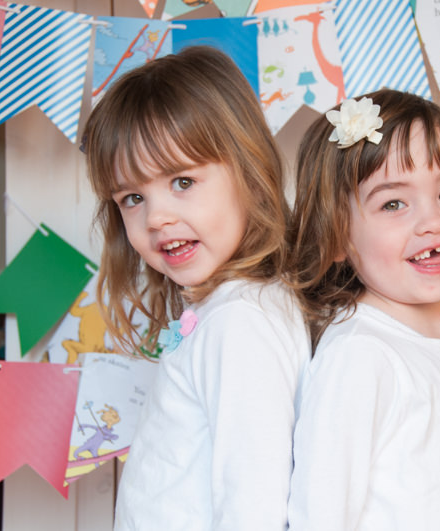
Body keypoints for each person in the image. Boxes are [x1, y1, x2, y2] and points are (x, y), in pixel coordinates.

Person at [81, 46, 309, 530]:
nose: (156, 217)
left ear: (249, 174)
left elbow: (254, 508)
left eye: (183, 181)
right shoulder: (227, 310)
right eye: (133, 197)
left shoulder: (239, 322)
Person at [286, 89, 440, 530]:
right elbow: (320, 517)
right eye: (393, 203)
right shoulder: (360, 355)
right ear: (338, 236)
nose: (432, 221)